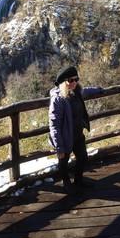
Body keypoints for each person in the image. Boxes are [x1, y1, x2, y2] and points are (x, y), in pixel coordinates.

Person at [49, 66, 102, 194]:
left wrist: (99, 90)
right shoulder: (58, 99)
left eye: (76, 79)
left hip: (78, 134)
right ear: (63, 82)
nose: (74, 82)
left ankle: (78, 180)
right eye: (70, 80)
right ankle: (66, 183)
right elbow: (54, 124)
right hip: (65, 136)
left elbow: (86, 91)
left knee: (83, 157)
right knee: (63, 161)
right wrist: (59, 147)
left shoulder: (76, 91)